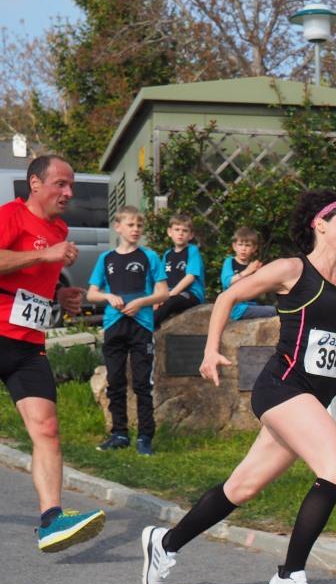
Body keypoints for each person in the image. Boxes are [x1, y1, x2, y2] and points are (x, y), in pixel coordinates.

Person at [141, 190, 336, 584]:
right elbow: (228, 297)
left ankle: (164, 544)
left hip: (312, 398)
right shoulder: (291, 269)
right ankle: (288, 576)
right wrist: (211, 349)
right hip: (282, 387)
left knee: (242, 488)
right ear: (320, 224)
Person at [0, 154, 106, 551]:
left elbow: (32, 284)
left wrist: (61, 296)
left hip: (28, 347)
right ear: (35, 184)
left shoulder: (59, 229)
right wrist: (44, 255)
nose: (69, 192)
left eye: (71, 185)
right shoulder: (10, 215)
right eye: (61, 183)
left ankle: (51, 520)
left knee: (46, 429)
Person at [87, 205, 168, 456]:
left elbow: (163, 292)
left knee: (143, 383)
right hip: (114, 325)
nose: (135, 229)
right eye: (130, 225)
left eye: (139, 225)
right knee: (115, 380)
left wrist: (141, 302)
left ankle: (145, 437)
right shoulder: (106, 259)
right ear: (118, 227)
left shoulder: (149, 257)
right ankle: (119, 434)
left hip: (141, 325)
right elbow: (91, 293)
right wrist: (108, 296)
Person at [154, 213, 205, 329]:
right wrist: (156, 298)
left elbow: (190, 277)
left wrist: (169, 295)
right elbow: (160, 279)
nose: (180, 233)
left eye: (185, 231)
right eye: (177, 229)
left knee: (171, 302)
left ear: (191, 235)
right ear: (169, 232)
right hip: (169, 294)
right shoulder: (167, 254)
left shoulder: (192, 251)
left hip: (190, 294)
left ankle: (146, 330)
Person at [221, 226, 277, 320]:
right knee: (273, 311)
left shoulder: (253, 266)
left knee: (274, 309)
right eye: (240, 244)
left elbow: (260, 292)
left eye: (247, 245)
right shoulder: (230, 261)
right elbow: (227, 282)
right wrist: (247, 272)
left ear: (254, 248)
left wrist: (260, 273)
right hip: (235, 308)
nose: (243, 248)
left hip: (251, 305)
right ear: (234, 246)